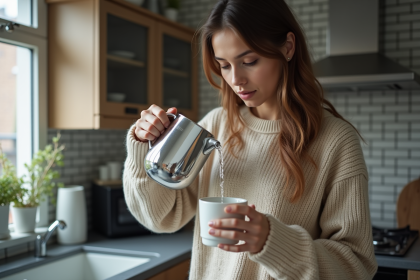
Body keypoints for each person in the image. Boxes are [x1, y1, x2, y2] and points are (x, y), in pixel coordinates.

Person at [123, 0, 378, 279]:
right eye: (224, 65)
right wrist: (143, 145)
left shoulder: (336, 142)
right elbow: (161, 218)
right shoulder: (215, 125)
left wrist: (271, 240)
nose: (236, 80)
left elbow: (356, 268)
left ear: (288, 47)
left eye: (249, 61)